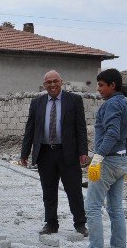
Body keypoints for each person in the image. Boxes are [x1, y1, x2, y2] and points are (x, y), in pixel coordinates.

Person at [73, 68, 127, 248]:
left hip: (107, 161)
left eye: (101, 85)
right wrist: (126, 156)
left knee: (92, 207)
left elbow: (112, 133)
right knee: (116, 209)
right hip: (120, 160)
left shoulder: (111, 105)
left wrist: (98, 157)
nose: (98, 89)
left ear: (112, 85)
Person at [20, 70, 90, 236]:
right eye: (48, 82)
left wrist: (83, 151)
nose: (52, 85)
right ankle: (51, 224)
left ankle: (80, 223)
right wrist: (24, 153)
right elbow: (30, 129)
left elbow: (80, 128)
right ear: (44, 85)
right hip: (45, 153)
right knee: (48, 191)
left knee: (74, 190)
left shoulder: (74, 100)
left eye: (55, 81)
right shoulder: (37, 102)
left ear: (61, 82)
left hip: (68, 153)